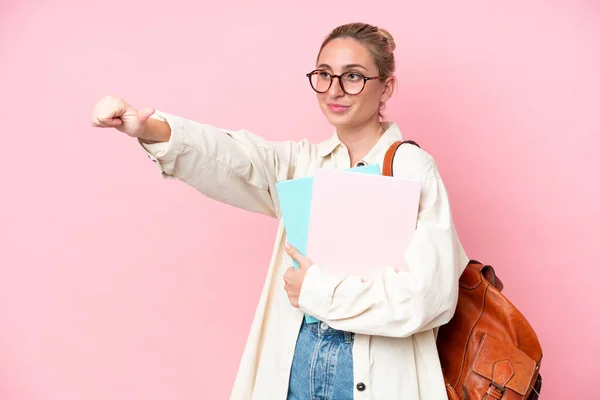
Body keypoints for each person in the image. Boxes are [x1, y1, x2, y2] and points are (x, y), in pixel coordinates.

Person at [91, 22, 469, 400]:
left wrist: (317, 292)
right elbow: (231, 154)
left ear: (386, 87)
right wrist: (149, 128)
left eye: (353, 76)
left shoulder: (412, 169)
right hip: (294, 372)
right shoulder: (302, 163)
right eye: (324, 75)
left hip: (379, 378)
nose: (334, 90)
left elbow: (429, 298)